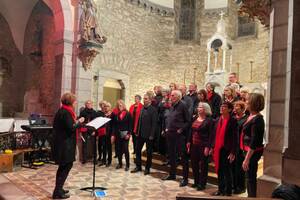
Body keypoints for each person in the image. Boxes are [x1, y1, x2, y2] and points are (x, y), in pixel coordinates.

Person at [52, 93, 85, 199]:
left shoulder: (63, 111)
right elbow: (71, 127)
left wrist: (75, 122)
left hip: (63, 143)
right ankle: (57, 192)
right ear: (70, 102)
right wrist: (79, 122)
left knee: (64, 166)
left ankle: (59, 188)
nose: (76, 103)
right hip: (64, 145)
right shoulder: (65, 112)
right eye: (74, 101)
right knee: (65, 166)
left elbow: (67, 126)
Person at [162, 90, 191, 187]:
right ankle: (172, 174)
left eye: (173, 95)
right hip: (170, 134)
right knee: (172, 156)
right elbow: (170, 118)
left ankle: (185, 178)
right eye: (171, 95)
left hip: (179, 136)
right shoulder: (172, 105)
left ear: (178, 97)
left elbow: (188, 121)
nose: (171, 96)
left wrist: (181, 129)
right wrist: (167, 127)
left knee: (183, 158)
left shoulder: (183, 105)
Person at [241, 93, 265, 197]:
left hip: (252, 152)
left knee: (250, 177)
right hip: (246, 150)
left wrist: (247, 159)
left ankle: (252, 197)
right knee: (248, 177)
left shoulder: (258, 119)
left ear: (253, 103)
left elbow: (254, 141)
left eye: (247, 101)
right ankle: (249, 195)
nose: (245, 102)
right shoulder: (251, 115)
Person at [212, 102, 238, 196]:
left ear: (230, 109)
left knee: (227, 171)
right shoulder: (218, 119)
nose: (222, 108)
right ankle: (220, 189)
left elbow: (235, 138)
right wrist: (212, 146)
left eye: (224, 107)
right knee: (219, 170)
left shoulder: (233, 120)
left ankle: (228, 192)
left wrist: (233, 152)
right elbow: (214, 135)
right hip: (218, 149)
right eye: (221, 106)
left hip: (227, 149)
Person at [131, 94, 158, 175]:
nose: (144, 100)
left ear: (150, 100)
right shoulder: (142, 108)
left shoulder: (153, 110)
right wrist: (136, 131)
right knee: (137, 150)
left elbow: (154, 124)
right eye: (144, 99)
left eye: (146, 99)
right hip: (140, 134)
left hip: (149, 135)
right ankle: (138, 166)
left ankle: (147, 168)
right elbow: (139, 121)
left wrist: (152, 135)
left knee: (149, 153)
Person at [189, 102, 213, 191]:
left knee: (203, 165)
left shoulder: (209, 120)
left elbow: (211, 135)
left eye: (201, 107)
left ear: (205, 109)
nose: (198, 108)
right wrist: (188, 141)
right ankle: (196, 182)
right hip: (194, 145)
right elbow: (191, 131)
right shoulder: (195, 117)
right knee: (194, 164)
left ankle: (202, 184)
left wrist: (208, 147)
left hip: (203, 145)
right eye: (198, 107)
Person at [232, 101, 249, 194]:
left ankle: (241, 187)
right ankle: (234, 185)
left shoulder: (246, 119)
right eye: (234, 106)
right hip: (233, 145)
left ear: (242, 109)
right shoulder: (233, 118)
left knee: (239, 168)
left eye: (237, 106)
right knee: (233, 167)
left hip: (241, 146)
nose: (235, 108)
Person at [111, 100, 132, 171]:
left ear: (123, 105)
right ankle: (120, 163)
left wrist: (129, 134)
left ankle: (127, 165)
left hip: (125, 134)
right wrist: (113, 134)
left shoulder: (128, 114)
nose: (120, 107)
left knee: (126, 149)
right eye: (118, 106)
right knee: (118, 150)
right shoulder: (116, 114)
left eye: (121, 105)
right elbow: (114, 125)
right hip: (118, 134)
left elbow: (130, 125)